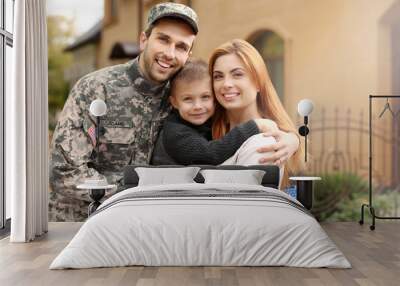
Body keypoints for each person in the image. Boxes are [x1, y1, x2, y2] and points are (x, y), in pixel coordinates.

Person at [49, 2, 199, 221]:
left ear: (188, 55)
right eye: (163, 39)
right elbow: (64, 172)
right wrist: (134, 196)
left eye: (181, 47)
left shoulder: (184, 100)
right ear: (144, 40)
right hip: (82, 223)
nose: (170, 53)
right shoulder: (96, 89)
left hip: (148, 227)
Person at [209, 39, 304, 187]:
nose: (226, 84)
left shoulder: (265, 143)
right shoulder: (206, 130)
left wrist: (294, 139)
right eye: (218, 76)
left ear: (258, 82)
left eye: (237, 74)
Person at [151, 58, 280, 165]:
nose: (197, 106)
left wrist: (293, 139)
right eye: (188, 99)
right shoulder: (175, 132)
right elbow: (210, 154)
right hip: (172, 194)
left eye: (205, 97)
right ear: (174, 102)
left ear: (214, 97)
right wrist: (255, 126)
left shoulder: (211, 121)